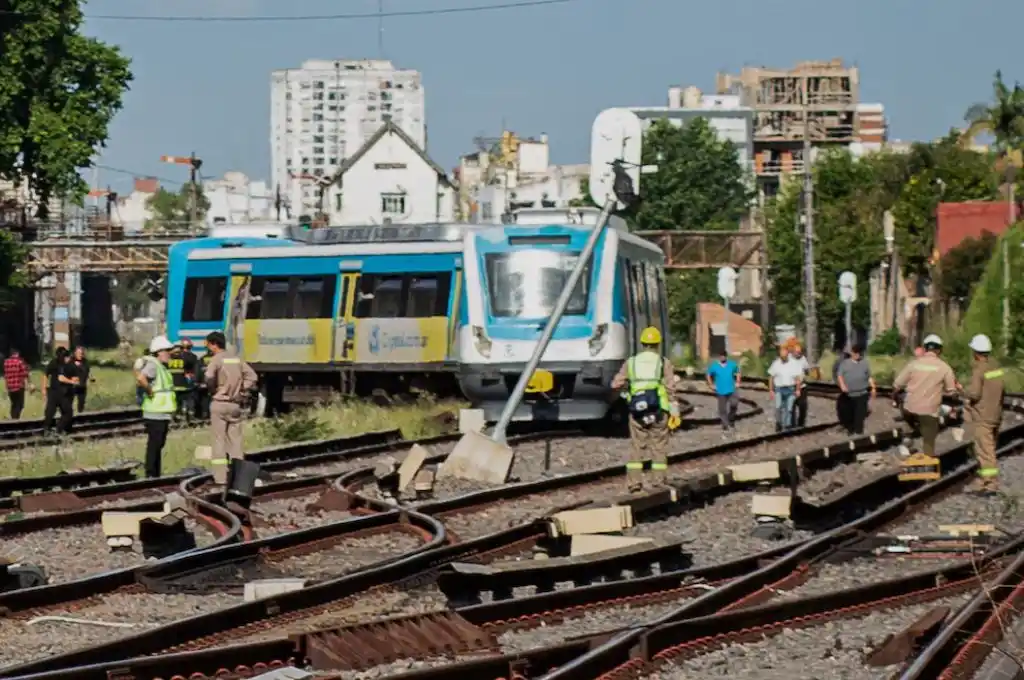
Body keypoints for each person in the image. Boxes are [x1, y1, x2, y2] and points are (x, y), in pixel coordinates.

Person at [610, 326, 680, 492]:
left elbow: (615, 384)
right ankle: (658, 481)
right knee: (659, 446)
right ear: (658, 344)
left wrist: (626, 390)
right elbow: (670, 388)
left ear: (642, 343)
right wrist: (675, 412)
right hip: (659, 410)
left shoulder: (631, 362)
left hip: (637, 411)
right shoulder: (663, 362)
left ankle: (634, 483)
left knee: (637, 446)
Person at [892, 333, 957, 458]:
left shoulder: (913, 364)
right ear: (939, 350)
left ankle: (906, 444)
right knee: (929, 436)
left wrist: (894, 398)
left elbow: (896, 386)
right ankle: (928, 457)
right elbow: (952, 392)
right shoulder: (945, 368)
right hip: (929, 411)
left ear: (925, 348)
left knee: (907, 419)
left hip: (910, 408)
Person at [204, 331, 257, 482]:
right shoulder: (236, 359)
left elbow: (208, 377)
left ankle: (221, 477)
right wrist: (242, 388)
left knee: (219, 441)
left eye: (209, 345)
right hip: (235, 405)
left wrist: (213, 389)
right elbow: (252, 376)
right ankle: (238, 477)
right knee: (236, 442)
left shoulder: (216, 359)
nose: (209, 348)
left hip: (219, 403)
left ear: (214, 344)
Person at [963, 334, 1004, 494]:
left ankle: (991, 483)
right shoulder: (996, 368)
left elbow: (974, 394)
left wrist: (963, 391)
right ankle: (983, 480)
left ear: (976, 352)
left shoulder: (979, 370)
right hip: (996, 415)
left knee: (985, 451)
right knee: (989, 447)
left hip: (982, 416)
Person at [138, 336, 178, 478]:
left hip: (161, 413)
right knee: (154, 445)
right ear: (159, 352)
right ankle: (150, 474)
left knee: (158, 445)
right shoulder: (153, 365)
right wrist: (149, 391)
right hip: (155, 413)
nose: (169, 354)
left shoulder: (162, 367)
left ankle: (155, 474)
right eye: (167, 351)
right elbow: (141, 378)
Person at [836, 343, 876, 435]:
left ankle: (859, 431)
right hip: (849, 394)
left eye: (859, 353)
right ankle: (850, 428)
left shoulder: (865, 363)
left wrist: (873, 387)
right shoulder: (845, 364)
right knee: (848, 412)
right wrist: (842, 385)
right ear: (852, 353)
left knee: (860, 414)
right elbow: (840, 375)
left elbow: (869, 377)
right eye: (856, 353)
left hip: (862, 393)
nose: (858, 355)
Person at [42, 347, 78, 435]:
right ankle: (47, 429)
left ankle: (59, 428)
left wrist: (69, 381)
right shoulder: (54, 363)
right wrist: (44, 388)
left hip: (65, 393)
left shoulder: (71, 365)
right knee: (50, 412)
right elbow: (46, 374)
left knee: (68, 413)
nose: (66, 359)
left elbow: (75, 379)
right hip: (54, 391)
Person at [767, 344, 802, 432]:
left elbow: (797, 378)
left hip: (790, 389)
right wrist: (771, 390)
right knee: (778, 406)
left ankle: (787, 425)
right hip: (779, 389)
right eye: (781, 355)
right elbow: (771, 377)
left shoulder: (793, 363)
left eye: (785, 355)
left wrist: (798, 389)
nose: (783, 357)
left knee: (789, 408)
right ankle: (779, 423)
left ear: (787, 354)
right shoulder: (776, 363)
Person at [706, 350, 740, 432]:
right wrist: (711, 384)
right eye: (721, 356)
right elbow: (708, 374)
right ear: (719, 357)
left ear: (726, 356)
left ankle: (731, 418)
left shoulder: (732, 364)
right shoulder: (715, 366)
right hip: (720, 390)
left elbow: (738, 372)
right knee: (722, 409)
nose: (722, 357)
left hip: (731, 389)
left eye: (724, 356)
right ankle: (725, 425)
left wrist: (738, 382)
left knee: (734, 404)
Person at [168, 339, 199, 424]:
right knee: (188, 400)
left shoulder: (169, 358)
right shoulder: (190, 357)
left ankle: (173, 417)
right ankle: (188, 417)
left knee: (174, 402)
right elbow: (195, 370)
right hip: (185, 384)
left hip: (172, 384)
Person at [3, 348, 30, 420]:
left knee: (14, 404)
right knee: (20, 405)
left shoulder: (6, 362)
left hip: (10, 387)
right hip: (19, 387)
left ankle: (13, 419)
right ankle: (15, 420)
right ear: (17, 353)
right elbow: (25, 373)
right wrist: (28, 384)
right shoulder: (20, 362)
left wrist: (6, 388)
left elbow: (6, 375)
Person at [789, 342, 810, 427]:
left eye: (800, 352)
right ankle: (792, 425)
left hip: (802, 387)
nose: (799, 354)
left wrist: (806, 373)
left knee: (803, 406)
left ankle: (801, 424)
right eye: (797, 352)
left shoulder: (803, 359)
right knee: (791, 407)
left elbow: (807, 370)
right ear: (792, 352)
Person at [72, 346, 92, 413]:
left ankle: (80, 413)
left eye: (81, 353)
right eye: (78, 353)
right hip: (72, 385)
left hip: (82, 385)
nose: (80, 355)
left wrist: (91, 378)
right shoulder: (71, 360)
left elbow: (87, 371)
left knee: (81, 402)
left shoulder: (85, 361)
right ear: (75, 353)